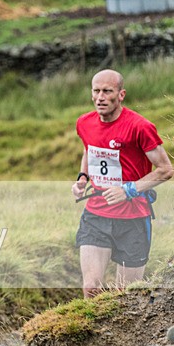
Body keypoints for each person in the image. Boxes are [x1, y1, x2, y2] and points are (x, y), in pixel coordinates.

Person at [72, 69, 172, 298]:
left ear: (121, 94)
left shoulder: (140, 127)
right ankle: (92, 334)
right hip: (96, 215)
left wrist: (128, 190)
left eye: (107, 91)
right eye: (96, 91)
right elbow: (89, 149)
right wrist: (82, 178)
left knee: (125, 296)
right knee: (91, 288)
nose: (100, 97)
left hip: (133, 220)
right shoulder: (84, 123)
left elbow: (166, 170)